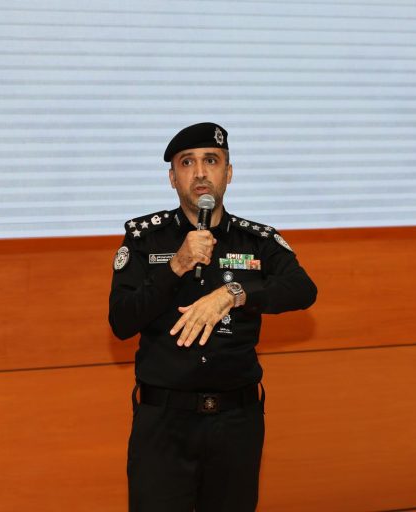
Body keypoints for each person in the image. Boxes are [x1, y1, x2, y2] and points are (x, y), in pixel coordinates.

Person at [109, 122, 317, 512]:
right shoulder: (144, 239)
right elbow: (121, 321)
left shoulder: (257, 240)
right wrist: (175, 266)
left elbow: (303, 289)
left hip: (236, 423)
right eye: (187, 163)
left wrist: (233, 293)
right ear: (173, 178)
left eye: (212, 161)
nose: (201, 172)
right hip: (163, 424)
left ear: (229, 173)